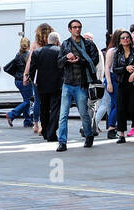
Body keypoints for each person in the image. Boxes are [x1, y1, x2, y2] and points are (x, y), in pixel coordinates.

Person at [56, 19, 99, 152]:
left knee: (83, 113)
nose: (77, 29)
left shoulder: (88, 44)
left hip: (81, 84)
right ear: (69, 29)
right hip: (67, 84)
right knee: (63, 114)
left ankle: (89, 135)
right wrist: (66, 58)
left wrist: (80, 60)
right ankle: (62, 142)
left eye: (79, 27)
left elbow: (94, 61)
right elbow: (58, 63)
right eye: (74, 27)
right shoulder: (66, 44)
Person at [112, 29, 134, 142]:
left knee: (133, 107)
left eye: (127, 37)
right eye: (123, 38)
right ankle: (121, 135)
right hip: (122, 83)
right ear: (120, 41)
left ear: (130, 40)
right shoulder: (117, 53)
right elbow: (114, 69)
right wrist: (125, 68)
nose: (125, 39)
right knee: (121, 109)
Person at [31, 32, 63, 143]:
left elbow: (32, 69)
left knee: (43, 108)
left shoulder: (37, 52)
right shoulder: (60, 51)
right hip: (56, 85)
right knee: (55, 109)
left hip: (42, 85)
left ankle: (45, 131)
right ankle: (51, 133)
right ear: (58, 41)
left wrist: (34, 81)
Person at [22, 23, 52, 134]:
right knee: (48, 101)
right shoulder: (53, 43)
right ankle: (44, 124)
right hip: (49, 75)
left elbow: (29, 61)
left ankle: (36, 124)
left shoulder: (35, 45)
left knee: (38, 101)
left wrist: (25, 74)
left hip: (37, 76)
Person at [5, 37, 33, 128]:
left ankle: (27, 121)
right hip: (25, 80)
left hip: (17, 80)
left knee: (26, 100)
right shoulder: (28, 55)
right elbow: (30, 68)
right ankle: (11, 114)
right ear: (28, 45)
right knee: (28, 101)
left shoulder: (18, 54)